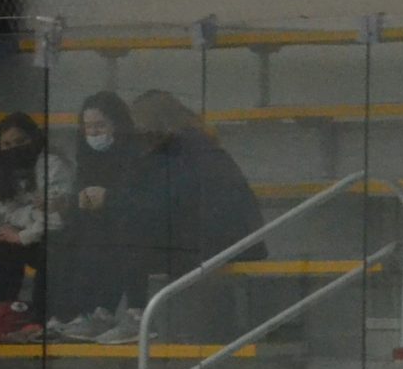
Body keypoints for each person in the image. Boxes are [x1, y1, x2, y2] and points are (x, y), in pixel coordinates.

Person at [78, 92, 266, 345]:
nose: (136, 133)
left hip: (220, 240)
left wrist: (110, 199)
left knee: (129, 230)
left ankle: (132, 313)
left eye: (140, 125)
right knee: (114, 230)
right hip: (207, 235)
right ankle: (108, 311)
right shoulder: (181, 148)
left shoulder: (187, 150)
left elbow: (166, 203)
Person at [0, 110, 71, 344]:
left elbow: (55, 219)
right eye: (7, 144)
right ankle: (0, 312)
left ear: (34, 138)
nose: (14, 148)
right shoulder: (5, 173)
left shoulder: (53, 165)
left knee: (46, 248)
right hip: (35, 232)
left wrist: (23, 236)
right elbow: (9, 214)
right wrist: (33, 215)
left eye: (21, 142)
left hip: (64, 242)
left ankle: (39, 320)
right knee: (5, 241)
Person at [48, 92, 143, 343]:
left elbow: (144, 200)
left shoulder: (136, 152)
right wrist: (75, 202)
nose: (93, 132)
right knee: (64, 236)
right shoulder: (86, 154)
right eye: (88, 127)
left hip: (136, 224)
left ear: (117, 124)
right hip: (100, 223)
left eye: (100, 126)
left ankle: (129, 312)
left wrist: (108, 197)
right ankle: (79, 312)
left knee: (118, 231)